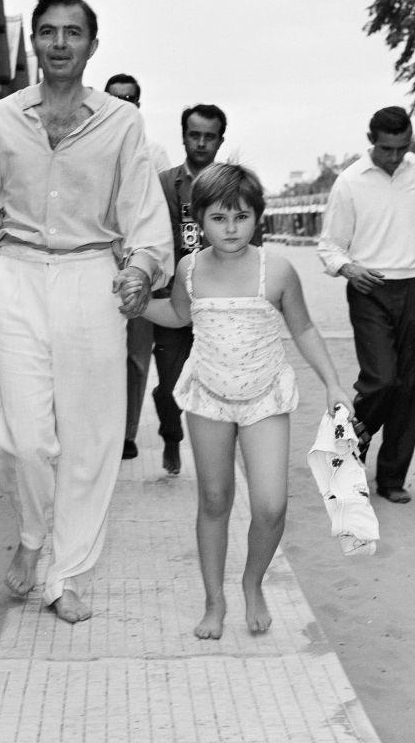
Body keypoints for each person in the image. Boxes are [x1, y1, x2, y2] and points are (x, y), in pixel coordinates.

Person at [0, 0, 172, 624]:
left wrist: (141, 269)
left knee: (91, 439)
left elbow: (144, 214)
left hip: (91, 281)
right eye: (49, 31)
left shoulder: (122, 123)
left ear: (92, 45)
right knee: (24, 443)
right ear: (35, 41)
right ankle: (34, 537)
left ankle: (65, 576)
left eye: (73, 32)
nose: (60, 43)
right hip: (16, 278)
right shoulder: (3, 118)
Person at [136, 163, 350, 638]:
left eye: (241, 216)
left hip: (265, 396)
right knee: (214, 498)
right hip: (209, 396)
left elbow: (305, 329)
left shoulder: (277, 270)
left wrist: (334, 384)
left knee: (271, 505)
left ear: (258, 217)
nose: (230, 228)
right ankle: (215, 601)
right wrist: (133, 305)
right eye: (218, 218)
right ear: (199, 221)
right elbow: (175, 314)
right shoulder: (190, 269)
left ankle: (253, 582)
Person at [318, 106, 415, 505]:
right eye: (386, 148)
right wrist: (348, 269)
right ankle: (349, 443)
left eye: (402, 148)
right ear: (370, 140)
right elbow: (329, 246)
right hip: (370, 288)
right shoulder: (349, 182)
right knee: (382, 379)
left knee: (411, 388)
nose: (395, 157)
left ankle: (392, 477)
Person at [151, 103, 241, 476]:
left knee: (222, 386)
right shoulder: (164, 184)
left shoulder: (235, 184)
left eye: (210, 136)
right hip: (175, 299)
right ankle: (171, 435)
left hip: (221, 303)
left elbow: (253, 238)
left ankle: (217, 461)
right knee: (171, 386)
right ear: (184, 136)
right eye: (194, 135)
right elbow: (155, 238)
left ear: (221, 139)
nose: (201, 143)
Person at [103, 73, 171, 461]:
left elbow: (157, 216)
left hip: (138, 268)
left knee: (135, 356)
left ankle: (127, 433)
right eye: (115, 98)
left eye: (130, 99)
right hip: (95, 265)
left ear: (139, 105)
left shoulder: (153, 153)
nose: (123, 104)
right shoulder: (86, 145)